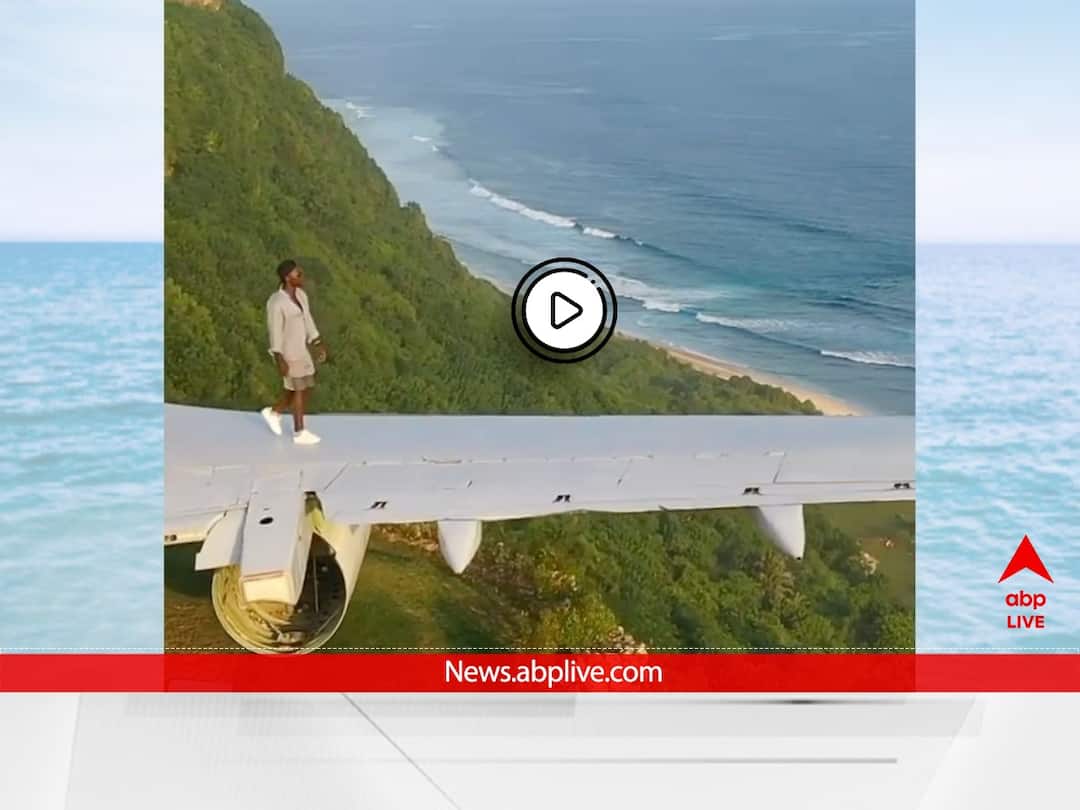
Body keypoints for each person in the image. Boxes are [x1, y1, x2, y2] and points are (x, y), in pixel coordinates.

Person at [260, 259, 328, 445]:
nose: (302, 276)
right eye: (298, 274)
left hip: (302, 350)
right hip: (288, 353)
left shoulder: (301, 295)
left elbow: (308, 321)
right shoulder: (276, 302)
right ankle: (299, 432)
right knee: (298, 389)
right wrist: (279, 357)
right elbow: (274, 331)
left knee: (305, 388)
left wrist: (317, 342)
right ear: (287, 277)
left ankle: (274, 412)